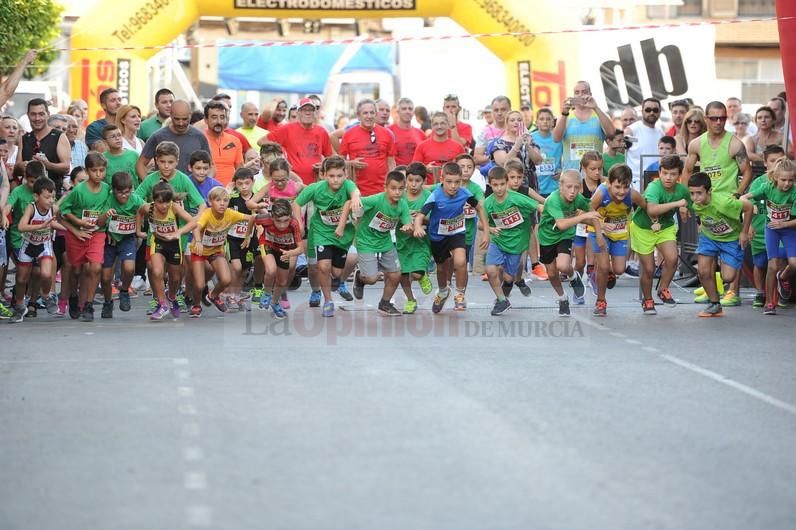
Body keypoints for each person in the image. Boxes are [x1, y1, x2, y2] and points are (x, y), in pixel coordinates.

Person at [414, 162, 490, 313]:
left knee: (460, 261)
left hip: (456, 233)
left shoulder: (464, 193)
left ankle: (460, 294)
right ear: (442, 179)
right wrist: (417, 227)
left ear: (461, 180)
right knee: (441, 268)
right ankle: (443, 291)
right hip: (438, 236)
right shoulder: (436, 195)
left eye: (457, 182)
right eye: (449, 182)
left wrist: (486, 231)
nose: (453, 186)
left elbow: (479, 208)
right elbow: (421, 215)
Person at [293, 155, 362, 317]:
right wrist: (299, 223)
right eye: (331, 176)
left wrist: (356, 197)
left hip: (342, 235)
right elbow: (297, 203)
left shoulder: (348, 185)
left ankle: (338, 281)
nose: (336, 180)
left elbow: (354, 191)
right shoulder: (315, 188)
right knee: (322, 266)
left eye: (339, 176)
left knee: (337, 273)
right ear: (323, 175)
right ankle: (328, 301)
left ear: (345, 175)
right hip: (321, 232)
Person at [347, 170, 416, 316]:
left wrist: (408, 227)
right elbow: (351, 203)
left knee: (396, 274)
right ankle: (360, 278)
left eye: (400, 189)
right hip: (366, 241)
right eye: (393, 188)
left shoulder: (402, 205)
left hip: (385, 242)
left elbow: (408, 224)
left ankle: (384, 303)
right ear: (385, 188)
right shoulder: (375, 200)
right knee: (372, 279)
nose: (397, 192)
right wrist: (353, 213)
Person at [630, 154, 691, 314]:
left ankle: (663, 289)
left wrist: (687, 211)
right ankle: (647, 300)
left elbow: (691, 204)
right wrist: (678, 204)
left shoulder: (682, 190)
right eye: (665, 173)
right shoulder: (654, 187)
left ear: (679, 175)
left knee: (672, 258)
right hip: (643, 228)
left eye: (673, 174)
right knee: (649, 269)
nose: (668, 178)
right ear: (659, 172)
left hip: (665, 227)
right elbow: (652, 209)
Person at [537, 170, 601, 316]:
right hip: (547, 237)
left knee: (563, 265)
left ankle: (574, 277)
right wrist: (582, 217)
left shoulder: (578, 199)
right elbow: (561, 224)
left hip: (565, 236)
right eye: (569, 187)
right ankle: (562, 298)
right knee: (552, 274)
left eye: (576, 187)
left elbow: (593, 214)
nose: (572, 191)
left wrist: (598, 233)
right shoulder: (553, 200)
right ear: (560, 186)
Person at [688, 171, 753, 317]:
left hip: (730, 239)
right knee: (703, 271)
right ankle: (715, 304)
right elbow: (700, 211)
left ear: (709, 191)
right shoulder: (694, 202)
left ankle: (719, 275)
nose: (695, 198)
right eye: (692, 193)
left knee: (728, 277)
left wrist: (744, 232)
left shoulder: (724, 203)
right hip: (709, 237)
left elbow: (748, 208)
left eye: (699, 193)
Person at [58, 152, 112, 322]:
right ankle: (73, 296)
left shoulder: (107, 189)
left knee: (95, 267)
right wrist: (79, 223)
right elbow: (63, 211)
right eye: (94, 170)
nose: (98, 174)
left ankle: (88, 305)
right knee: (76, 270)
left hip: (97, 233)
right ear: (88, 171)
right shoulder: (79, 190)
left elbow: (105, 214)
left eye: (102, 170)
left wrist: (104, 217)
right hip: (77, 235)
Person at [482, 166, 541, 316]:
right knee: (490, 270)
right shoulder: (488, 203)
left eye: (502, 184)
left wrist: (557, 214)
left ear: (506, 183)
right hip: (498, 241)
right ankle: (502, 300)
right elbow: (480, 223)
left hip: (517, 243)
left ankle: (513, 282)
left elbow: (539, 206)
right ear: (489, 184)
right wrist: (489, 228)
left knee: (509, 277)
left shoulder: (517, 198)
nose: (499, 188)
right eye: (495, 185)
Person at [588, 164, 645, 316]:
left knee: (619, 269)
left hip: (619, 233)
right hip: (599, 231)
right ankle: (601, 301)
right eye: (617, 187)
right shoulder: (601, 193)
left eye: (625, 187)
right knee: (604, 266)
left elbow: (646, 206)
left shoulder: (633, 195)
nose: (621, 192)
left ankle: (606, 272)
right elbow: (587, 211)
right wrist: (601, 227)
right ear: (609, 183)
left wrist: (647, 224)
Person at [135, 181, 197, 320]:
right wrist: (138, 231)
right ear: (154, 200)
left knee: (175, 278)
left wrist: (179, 232)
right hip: (157, 242)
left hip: (174, 244)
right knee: (156, 271)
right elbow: (139, 212)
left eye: (166, 202)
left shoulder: (174, 208)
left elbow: (193, 222)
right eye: (159, 202)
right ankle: (162, 303)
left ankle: (172, 296)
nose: (163, 206)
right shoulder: (148, 208)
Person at [190, 185, 254, 318]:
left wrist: (248, 235)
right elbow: (196, 227)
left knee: (226, 279)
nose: (222, 204)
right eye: (218, 200)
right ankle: (196, 305)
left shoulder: (230, 214)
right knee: (199, 284)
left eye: (225, 201)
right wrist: (199, 241)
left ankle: (213, 296)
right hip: (200, 251)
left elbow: (252, 218)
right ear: (210, 202)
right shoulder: (207, 214)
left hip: (216, 251)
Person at [7, 176, 63, 322]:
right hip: (28, 245)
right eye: (47, 197)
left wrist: (70, 230)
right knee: (21, 279)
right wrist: (41, 226)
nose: (50, 200)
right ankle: (19, 306)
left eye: (53, 197)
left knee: (46, 274)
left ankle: (46, 295)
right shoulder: (31, 208)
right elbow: (21, 227)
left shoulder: (53, 208)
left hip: (44, 245)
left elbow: (54, 223)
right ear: (36, 196)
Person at [748, 158, 796, 315]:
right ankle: (769, 303)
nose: (787, 184)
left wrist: (784, 224)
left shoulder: (794, 192)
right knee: (772, 265)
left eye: (791, 180)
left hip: (788, 229)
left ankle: (782, 278)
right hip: (772, 230)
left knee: (794, 264)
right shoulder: (767, 187)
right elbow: (748, 197)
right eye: (783, 180)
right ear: (775, 177)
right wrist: (744, 202)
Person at [97, 171, 144, 317]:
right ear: (113, 190)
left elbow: (145, 208)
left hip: (127, 239)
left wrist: (139, 227)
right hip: (109, 241)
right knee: (105, 277)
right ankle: (107, 301)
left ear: (131, 189)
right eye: (120, 193)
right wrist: (106, 216)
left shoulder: (135, 200)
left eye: (127, 192)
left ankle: (124, 291)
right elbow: (98, 223)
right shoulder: (108, 199)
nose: (124, 196)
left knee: (129, 268)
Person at [745, 145, 787, 310]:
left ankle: (781, 291)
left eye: (781, 161)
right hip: (760, 230)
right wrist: (747, 227)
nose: (777, 164)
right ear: (765, 163)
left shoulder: (789, 182)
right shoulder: (759, 183)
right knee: (760, 263)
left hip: (782, 231)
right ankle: (760, 292)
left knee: (782, 260)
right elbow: (747, 205)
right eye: (773, 161)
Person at [264, 97, 332, 186]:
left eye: (311, 110)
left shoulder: (321, 132)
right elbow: (262, 141)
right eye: (304, 109)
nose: (308, 112)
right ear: (298, 113)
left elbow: (330, 156)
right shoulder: (287, 129)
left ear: (315, 113)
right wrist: (281, 157)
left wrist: (324, 164)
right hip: (292, 184)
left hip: (315, 184)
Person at [137, 100, 210, 181]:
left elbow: (211, 166)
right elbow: (141, 164)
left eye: (185, 119)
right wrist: (150, 187)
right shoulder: (158, 136)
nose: (181, 123)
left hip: (192, 190)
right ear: (170, 115)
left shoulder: (199, 136)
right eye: (177, 119)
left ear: (190, 115)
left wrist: (203, 184)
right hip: (165, 190)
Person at [256, 198, 304, 319]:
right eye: (278, 221)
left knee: (282, 281)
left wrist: (291, 253)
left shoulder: (294, 224)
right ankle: (266, 293)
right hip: (267, 244)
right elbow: (252, 219)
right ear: (272, 217)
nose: (282, 225)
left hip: (285, 250)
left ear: (290, 217)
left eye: (285, 221)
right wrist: (247, 236)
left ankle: (274, 302)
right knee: (271, 270)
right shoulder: (265, 219)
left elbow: (301, 249)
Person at [396, 163, 433, 314]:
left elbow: (432, 219)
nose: (413, 184)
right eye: (410, 180)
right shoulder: (400, 195)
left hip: (421, 242)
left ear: (423, 181)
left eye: (417, 180)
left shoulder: (428, 197)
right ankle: (410, 300)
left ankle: (423, 275)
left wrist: (421, 218)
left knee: (416, 272)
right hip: (402, 241)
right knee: (403, 274)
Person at [339, 99, 396, 197]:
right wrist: (351, 163)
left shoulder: (387, 134)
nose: (369, 116)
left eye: (372, 112)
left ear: (376, 114)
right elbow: (339, 162)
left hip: (382, 191)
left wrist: (392, 184)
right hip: (357, 191)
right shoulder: (349, 134)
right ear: (358, 115)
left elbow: (391, 162)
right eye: (365, 113)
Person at [553, 81, 615, 170]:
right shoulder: (566, 116)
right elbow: (556, 138)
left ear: (590, 94)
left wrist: (595, 107)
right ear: (573, 96)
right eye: (577, 92)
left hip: (594, 175)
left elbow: (612, 133)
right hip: (571, 175)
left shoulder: (599, 115)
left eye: (584, 92)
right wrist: (564, 114)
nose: (580, 95)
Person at [15, 98, 71, 196]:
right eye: (33, 114)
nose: (37, 118)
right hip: (26, 197)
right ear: (28, 115)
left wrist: (48, 165)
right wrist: (22, 166)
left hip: (51, 197)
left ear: (48, 114)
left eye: (41, 114)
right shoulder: (24, 138)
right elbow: (16, 169)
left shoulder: (59, 136)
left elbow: (66, 167)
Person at [226, 168, 259, 312]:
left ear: (253, 182)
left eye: (247, 183)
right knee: (237, 267)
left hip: (251, 240)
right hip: (233, 239)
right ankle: (230, 294)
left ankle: (236, 295)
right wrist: (228, 189)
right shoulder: (232, 199)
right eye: (240, 184)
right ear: (235, 184)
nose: (244, 187)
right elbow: (220, 206)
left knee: (244, 270)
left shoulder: (258, 199)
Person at [572, 151, 603, 303]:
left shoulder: (604, 184)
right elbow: (575, 211)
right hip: (580, 227)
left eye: (599, 168)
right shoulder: (578, 186)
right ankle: (577, 287)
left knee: (594, 261)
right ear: (584, 168)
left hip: (596, 227)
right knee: (579, 263)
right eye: (592, 169)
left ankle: (592, 275)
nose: (597, 172)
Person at [487, 110, 543, 188]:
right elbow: (503, 163)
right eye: (512, 120)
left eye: (519, 120)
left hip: (530, 184)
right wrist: (517, 145)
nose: (516, 122)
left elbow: (539, 161)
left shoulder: (530, 140)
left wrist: (527, 145)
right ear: (507, 124)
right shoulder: (500, 143)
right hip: (510, 184)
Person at [412, 112, 466, 182]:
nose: (439, 126)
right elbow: (413, 170)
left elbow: (464, 169)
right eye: (436, 124)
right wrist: (425, 169)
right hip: (429, 190)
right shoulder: (422, 146)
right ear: (432, 126)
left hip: (452, 189)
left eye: (442, 123)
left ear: (448, 125)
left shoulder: (458, 147)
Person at [624, 97, 663, 189]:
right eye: (648, 110)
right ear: (642, 111)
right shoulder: (632, 130)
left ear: (660, 112)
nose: (652, 113)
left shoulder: (661, 132)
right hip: (635, 184)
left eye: (655, 110)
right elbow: (621, 149)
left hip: (656, 182)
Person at [203, 101, 243, 186]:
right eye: (214, 117)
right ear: (206, 120)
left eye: (222, 117)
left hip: (232, 192)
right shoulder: (200, 139)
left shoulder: (234, 140)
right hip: (208, 192)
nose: (219, 121)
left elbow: (240, 170)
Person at [531, 108, 563, 197]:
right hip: (536, 186)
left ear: (553, 122)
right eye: (541, 119)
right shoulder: (530, 138)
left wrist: (563, 171)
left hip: (554, 186)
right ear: (536, 122)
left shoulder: (558, 138)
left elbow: (567, 157)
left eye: (548, 119)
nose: (545, 122)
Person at [388, 97, 426, 166]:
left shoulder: (421, 134)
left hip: (416, 174)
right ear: (398, 112)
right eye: (404, 109)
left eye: (410, 109)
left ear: (413, 112)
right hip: (396, 174)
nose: (407, 111)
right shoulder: (388, 132)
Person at [474, 96, 511, 166]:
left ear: (510, 110)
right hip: (494, 174)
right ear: (492, 112)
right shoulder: (485, 131)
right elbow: (476, 158)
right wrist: (494, 157)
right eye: (496, 110)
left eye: (503, 109)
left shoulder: (517, 129)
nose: (499, 113)